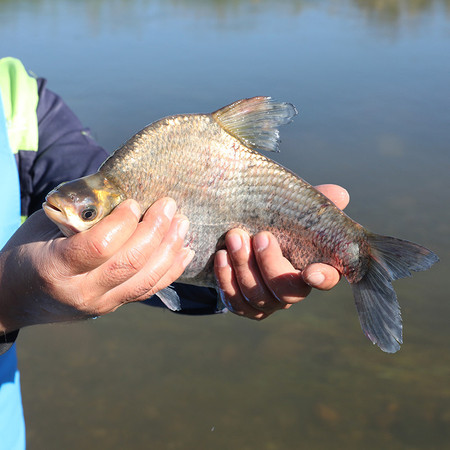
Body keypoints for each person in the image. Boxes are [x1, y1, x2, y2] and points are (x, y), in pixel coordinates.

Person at [0, 57, 348, 449]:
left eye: (89, 213)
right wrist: (7, 299)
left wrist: (232, 286)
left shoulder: (17, 95)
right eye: (89, 215)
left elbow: (86, 178)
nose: (77, 214)